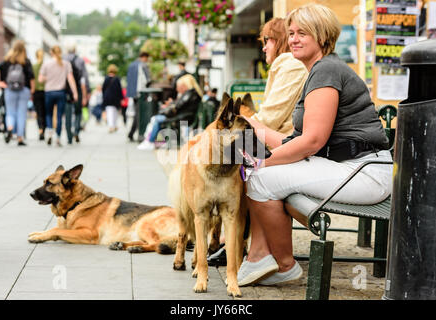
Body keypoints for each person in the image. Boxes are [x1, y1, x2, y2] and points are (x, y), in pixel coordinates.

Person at [237, 3, 392, 287]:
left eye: (302, 33)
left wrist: (261, 161)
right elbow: (295, 141)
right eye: (292, 32)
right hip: (345, 167)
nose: (293, 39)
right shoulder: (318, 71)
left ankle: (283, 264)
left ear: (321, 36)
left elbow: (311, 141)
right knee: (248, 168)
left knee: (258, 176)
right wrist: (256, 129)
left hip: (365, 172)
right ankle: (258, 255)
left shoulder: (326, 70)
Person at [208, 17, 309, 267]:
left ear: (278, 41)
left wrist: (237, 127)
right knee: (234, 165)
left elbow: (271, 118)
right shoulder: (286, 66)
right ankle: (235, 243)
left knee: (240, 171)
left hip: (287, 147)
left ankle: (242, 247)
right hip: (283, 143)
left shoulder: (290, 65)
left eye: (267, 41)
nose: (263, 47)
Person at [137, 74, 202, 151]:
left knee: (156, 119)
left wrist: (168, 108)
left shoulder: (189, 94)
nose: (178, 89)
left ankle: (150, 141)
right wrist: (172, 104)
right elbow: (179, 105)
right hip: (183, 116)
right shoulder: (190, 94)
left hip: (183, 117)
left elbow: (178, 107)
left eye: (180, 86)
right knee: (156, 119)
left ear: (186, 85)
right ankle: (152, 141)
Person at [0, 40, 35, 146]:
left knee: (10, 112)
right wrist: (32, 89)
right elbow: (31, 77)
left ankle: (9, 128)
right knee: (21, 113)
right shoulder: (26, 61)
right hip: (24, 90)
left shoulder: (7, 60)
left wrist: (1, 83)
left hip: (9, 89)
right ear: (24, 49)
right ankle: (19, 138)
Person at [39, 45, 78, 147]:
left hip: (49, 92)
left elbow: (40, 79)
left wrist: (48, 78)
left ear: (51, 52)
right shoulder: (66, 64)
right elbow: (70, 79)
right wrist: (75, 92)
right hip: (61, 92)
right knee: (60, 115)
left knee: (49, 114)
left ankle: (50, 132)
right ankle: (58, 137)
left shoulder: (46, 63)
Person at [64, 44, 88, 144]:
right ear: (75, 50)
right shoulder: (80, 60)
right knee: (78, 111)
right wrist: (86, 93)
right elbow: (84, 78)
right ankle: (77, 130)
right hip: (77, 88)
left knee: (67, 113)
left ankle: (69, 135)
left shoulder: (62, 59)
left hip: (65, 89)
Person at [127, 51, 151, 142]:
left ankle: (132, 133)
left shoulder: (131, 65)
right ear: (144, 57)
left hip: (133, 94)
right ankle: (138, 134)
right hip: (141, 93)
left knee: (137, 113)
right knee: (139, 114)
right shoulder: (143, 65)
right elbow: (147, 80)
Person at [102, 64, 123, 133]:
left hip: (107, 97)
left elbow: (103, 89)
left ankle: (112, 126)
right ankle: (113, 125)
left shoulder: (106, 78)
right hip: (115, 98)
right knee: (115, 112)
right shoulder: (117, 79)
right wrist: (121, 98)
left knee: (109, 112)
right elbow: (119, 89)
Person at [32, 49, 46, 140]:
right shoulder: (45, 65)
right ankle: (45, 129)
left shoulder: (34, 66)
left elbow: (31, 79)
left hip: (36, 91)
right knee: (46, 112)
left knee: (39, 112)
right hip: (46, 91)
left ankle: (40, 129)